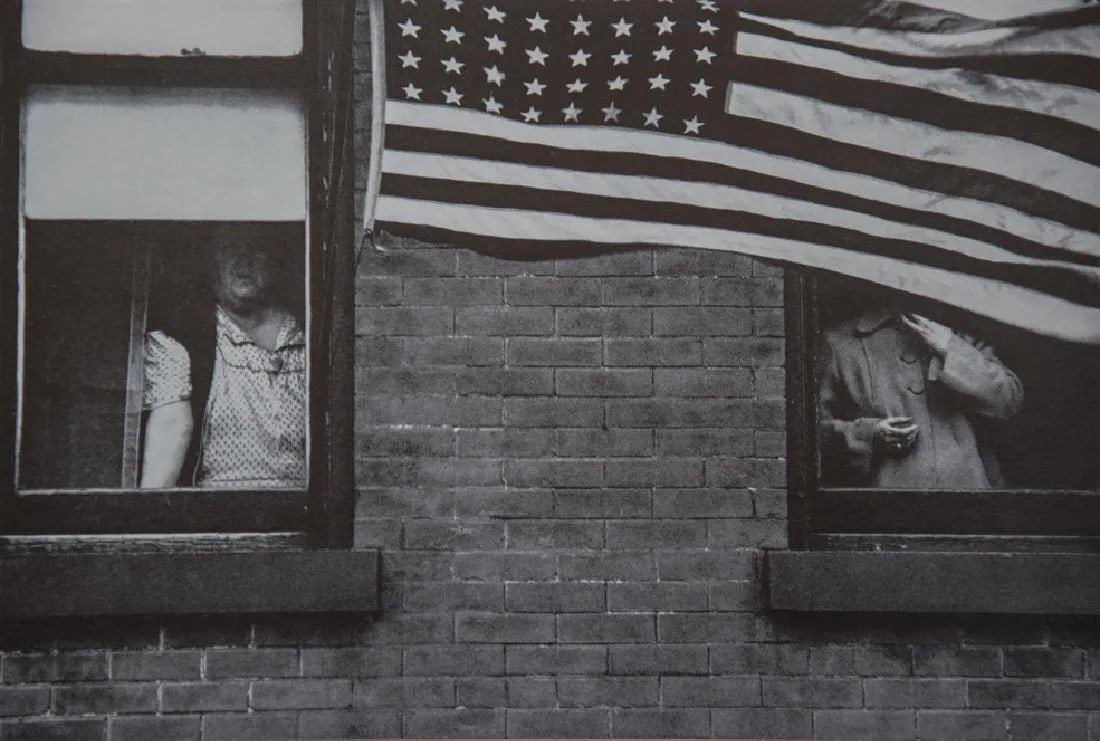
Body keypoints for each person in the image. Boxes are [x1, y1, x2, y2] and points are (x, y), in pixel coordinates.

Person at [139, 235, 306, 488]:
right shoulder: (185, 337)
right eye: (230, 248)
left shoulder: (309, 337)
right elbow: (170, 425)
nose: (243, 260)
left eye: (256, 247)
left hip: (302, 509)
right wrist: (147, 518)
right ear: (211, 263)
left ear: (275, 260)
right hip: (218, 509)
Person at [818, 305, 1023, 488]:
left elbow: (1009, 401)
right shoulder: (839, 343)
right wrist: (868, 435)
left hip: (969, 503)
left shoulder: (963, 336)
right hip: (883, 509)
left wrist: (951, 348)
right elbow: (812, 436)